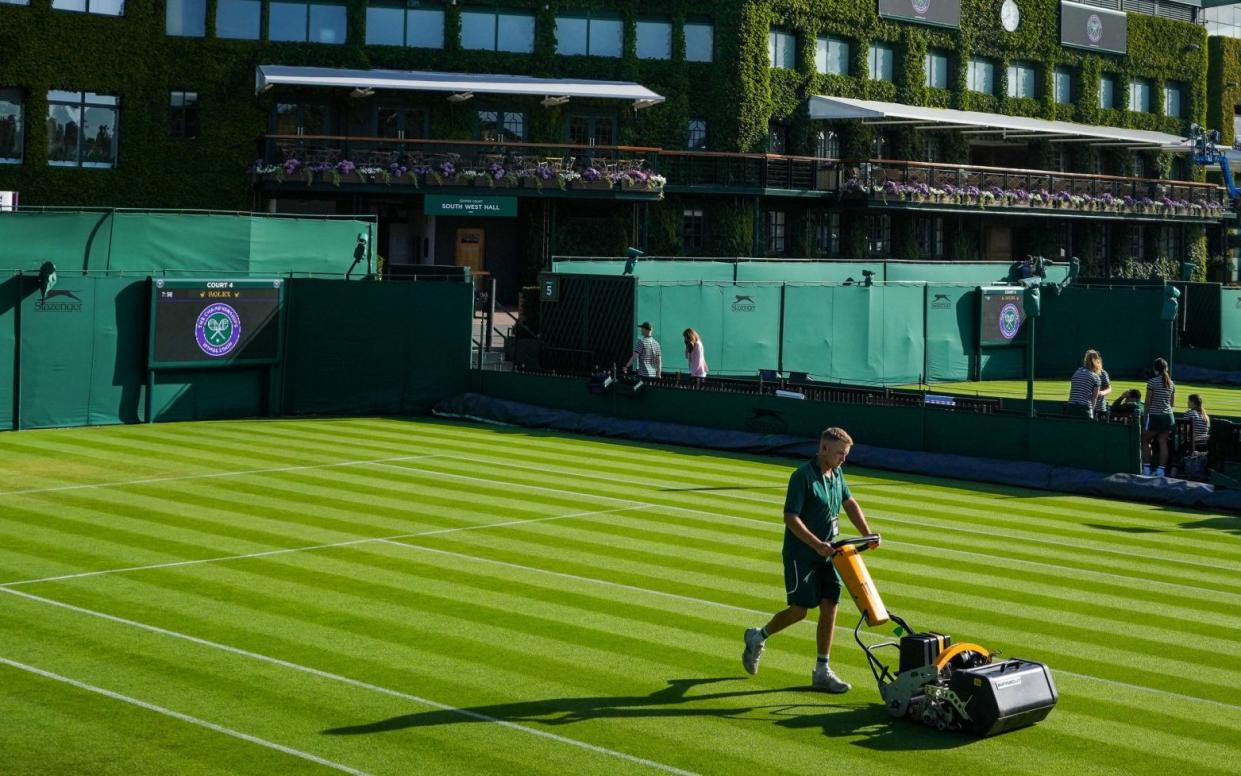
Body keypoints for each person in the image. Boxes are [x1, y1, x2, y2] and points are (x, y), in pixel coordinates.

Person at [741, 427, 878, 693]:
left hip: (830, 554)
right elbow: (790, 518)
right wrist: (816, 545)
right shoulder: (801, 477)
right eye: (840, 453)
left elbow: (849, 503)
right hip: (801, 555)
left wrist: (867, 534)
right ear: (823, 449)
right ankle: (758, 637)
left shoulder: (837, 473)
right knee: (799, 611)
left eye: (846, 454)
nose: (843, 459)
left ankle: (822, 671)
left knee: (830, 605)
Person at [1142, 357, 1176, 476]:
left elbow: (1147, 402)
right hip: (1168, 417)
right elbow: (1172, 404)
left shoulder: (1152, 382)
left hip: (1155, 416)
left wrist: (1145, 417)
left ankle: (1146, 469)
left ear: (1155, 369)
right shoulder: (1171, 383)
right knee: (1163, 441)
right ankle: (1161, 471)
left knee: (1145, 440)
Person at [1065, 349, 1103, 418]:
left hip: (1071, 406)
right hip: (1084, 409)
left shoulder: (1077, 371)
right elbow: (1094, 399)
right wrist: (1091, 413)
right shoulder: (1096, 377)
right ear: (1097, 361)